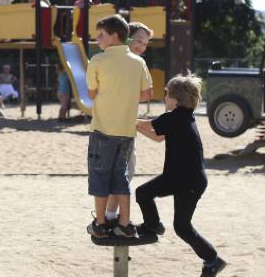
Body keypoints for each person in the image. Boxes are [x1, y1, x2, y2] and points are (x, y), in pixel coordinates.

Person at [135, 75, 227, 277]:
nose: (164, 98)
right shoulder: (183, 117)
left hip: (187, 181)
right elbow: (158, 137)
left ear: (175, 99)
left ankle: (211, 260)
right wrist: (135, 127)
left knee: (180, 225)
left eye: (166, 94)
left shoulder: (175, 117)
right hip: (182, 178)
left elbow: (150, 125)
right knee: (145, 195)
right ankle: (153, 226)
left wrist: (129, 120)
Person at [85, 14, 151, 238]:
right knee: (121, 177)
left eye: (101, 35)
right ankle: (125, 222)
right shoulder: (139, 62)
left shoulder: (97, 60)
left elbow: (91, 93)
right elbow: (147, 94)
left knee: (100, 176)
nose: (97, 40)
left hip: (103, 129)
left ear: (114, 36)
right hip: (127, 131)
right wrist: (126, 96)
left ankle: (101, 223)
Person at [104, 22, 155, 220]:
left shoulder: (113, 59)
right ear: (126, 37)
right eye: (139, 41)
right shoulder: (132, 63)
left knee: (120, 172)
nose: (142, 46)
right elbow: (146, 94)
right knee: (124, 171)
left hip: (117, 123)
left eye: (145, 44)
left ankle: (108, 215)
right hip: (119, 126)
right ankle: (109, 216)